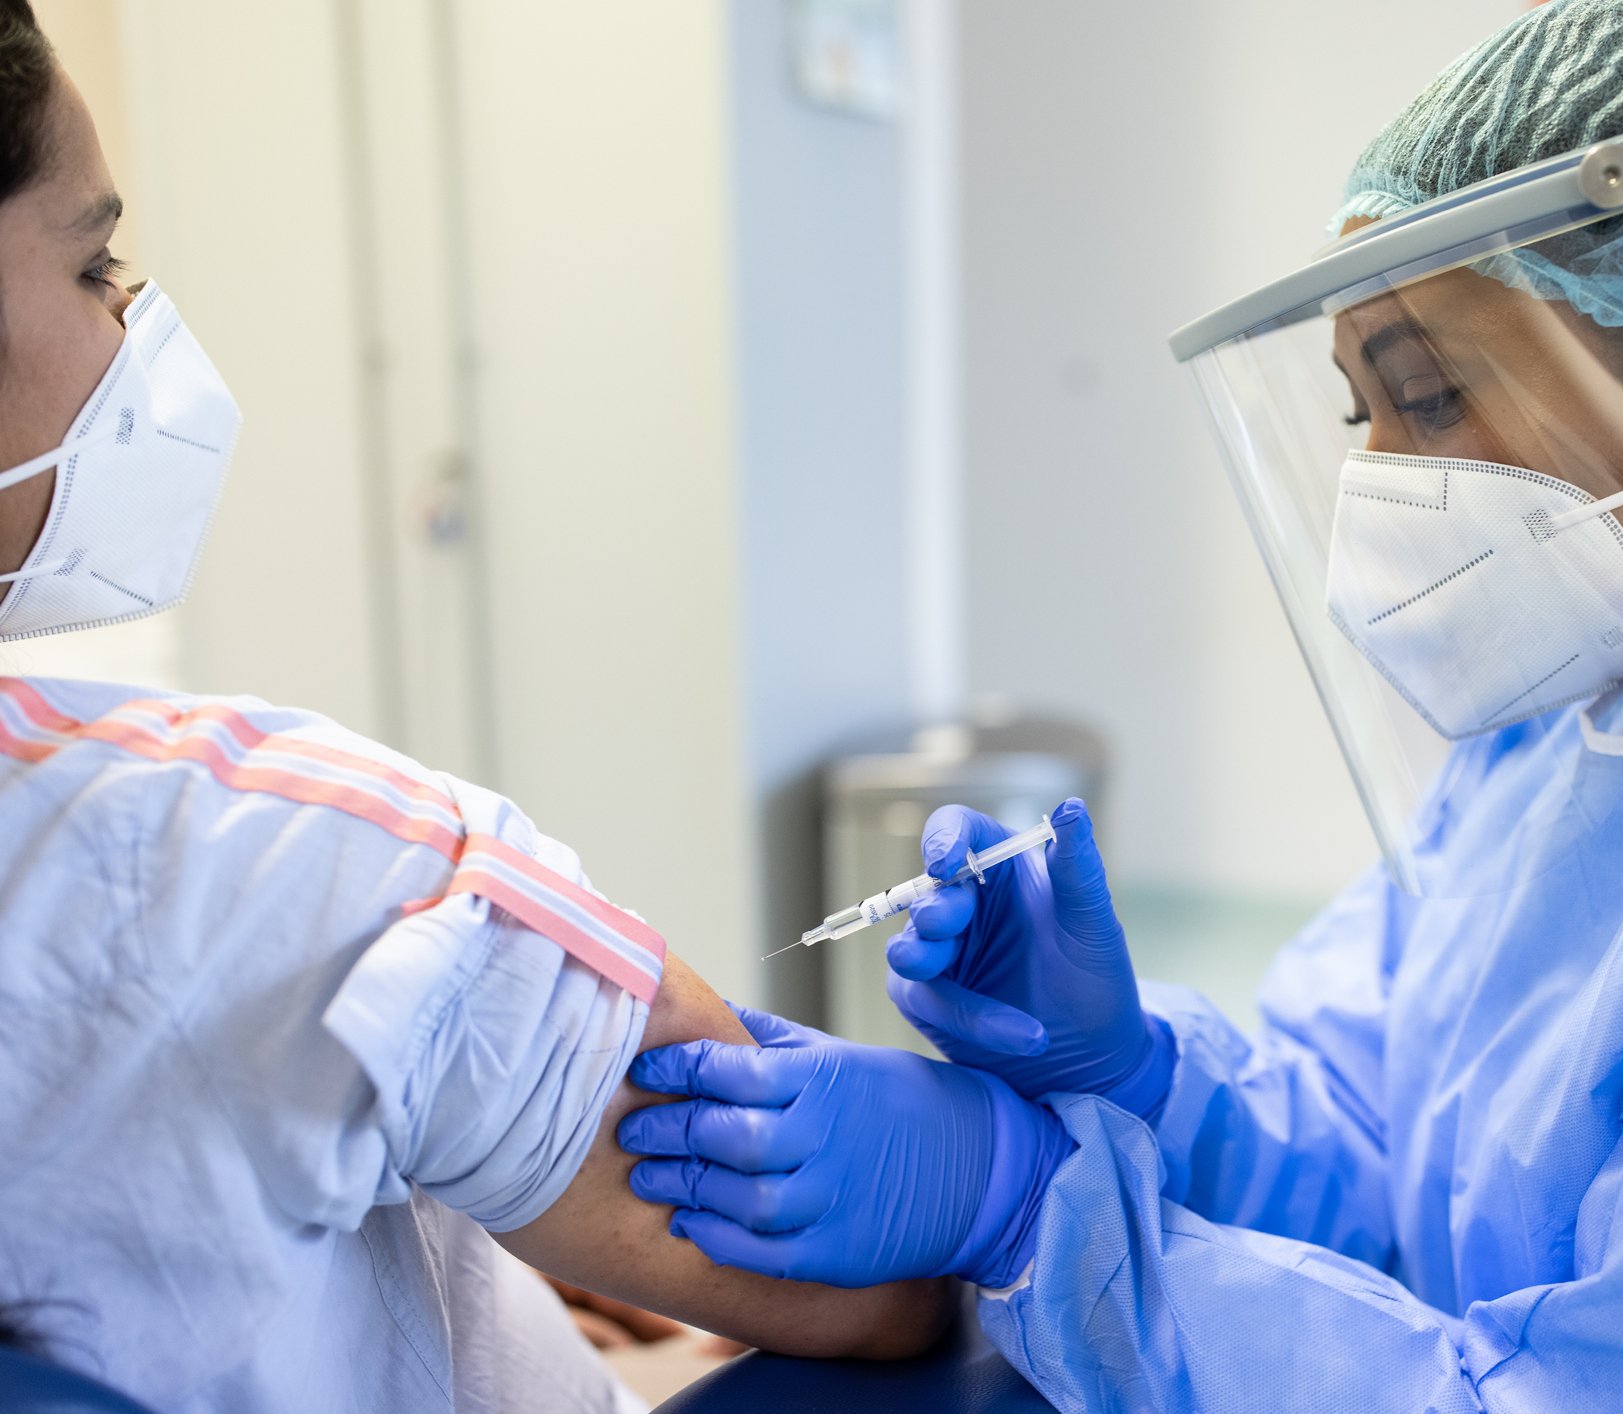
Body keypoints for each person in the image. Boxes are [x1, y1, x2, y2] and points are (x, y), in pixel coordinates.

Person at [615, 0, 1623, 1408]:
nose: (1388, 484)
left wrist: (1027, 1219)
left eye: (1432, 393)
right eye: (1363, 410)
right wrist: (1141, 1068)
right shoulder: (1616, 674)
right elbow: (1402, 1158)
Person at [0, 5, 952, 1410]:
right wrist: (1030, 1133)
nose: (135, 327)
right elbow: (884, 1282)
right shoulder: (259, 864)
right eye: (96, 263)